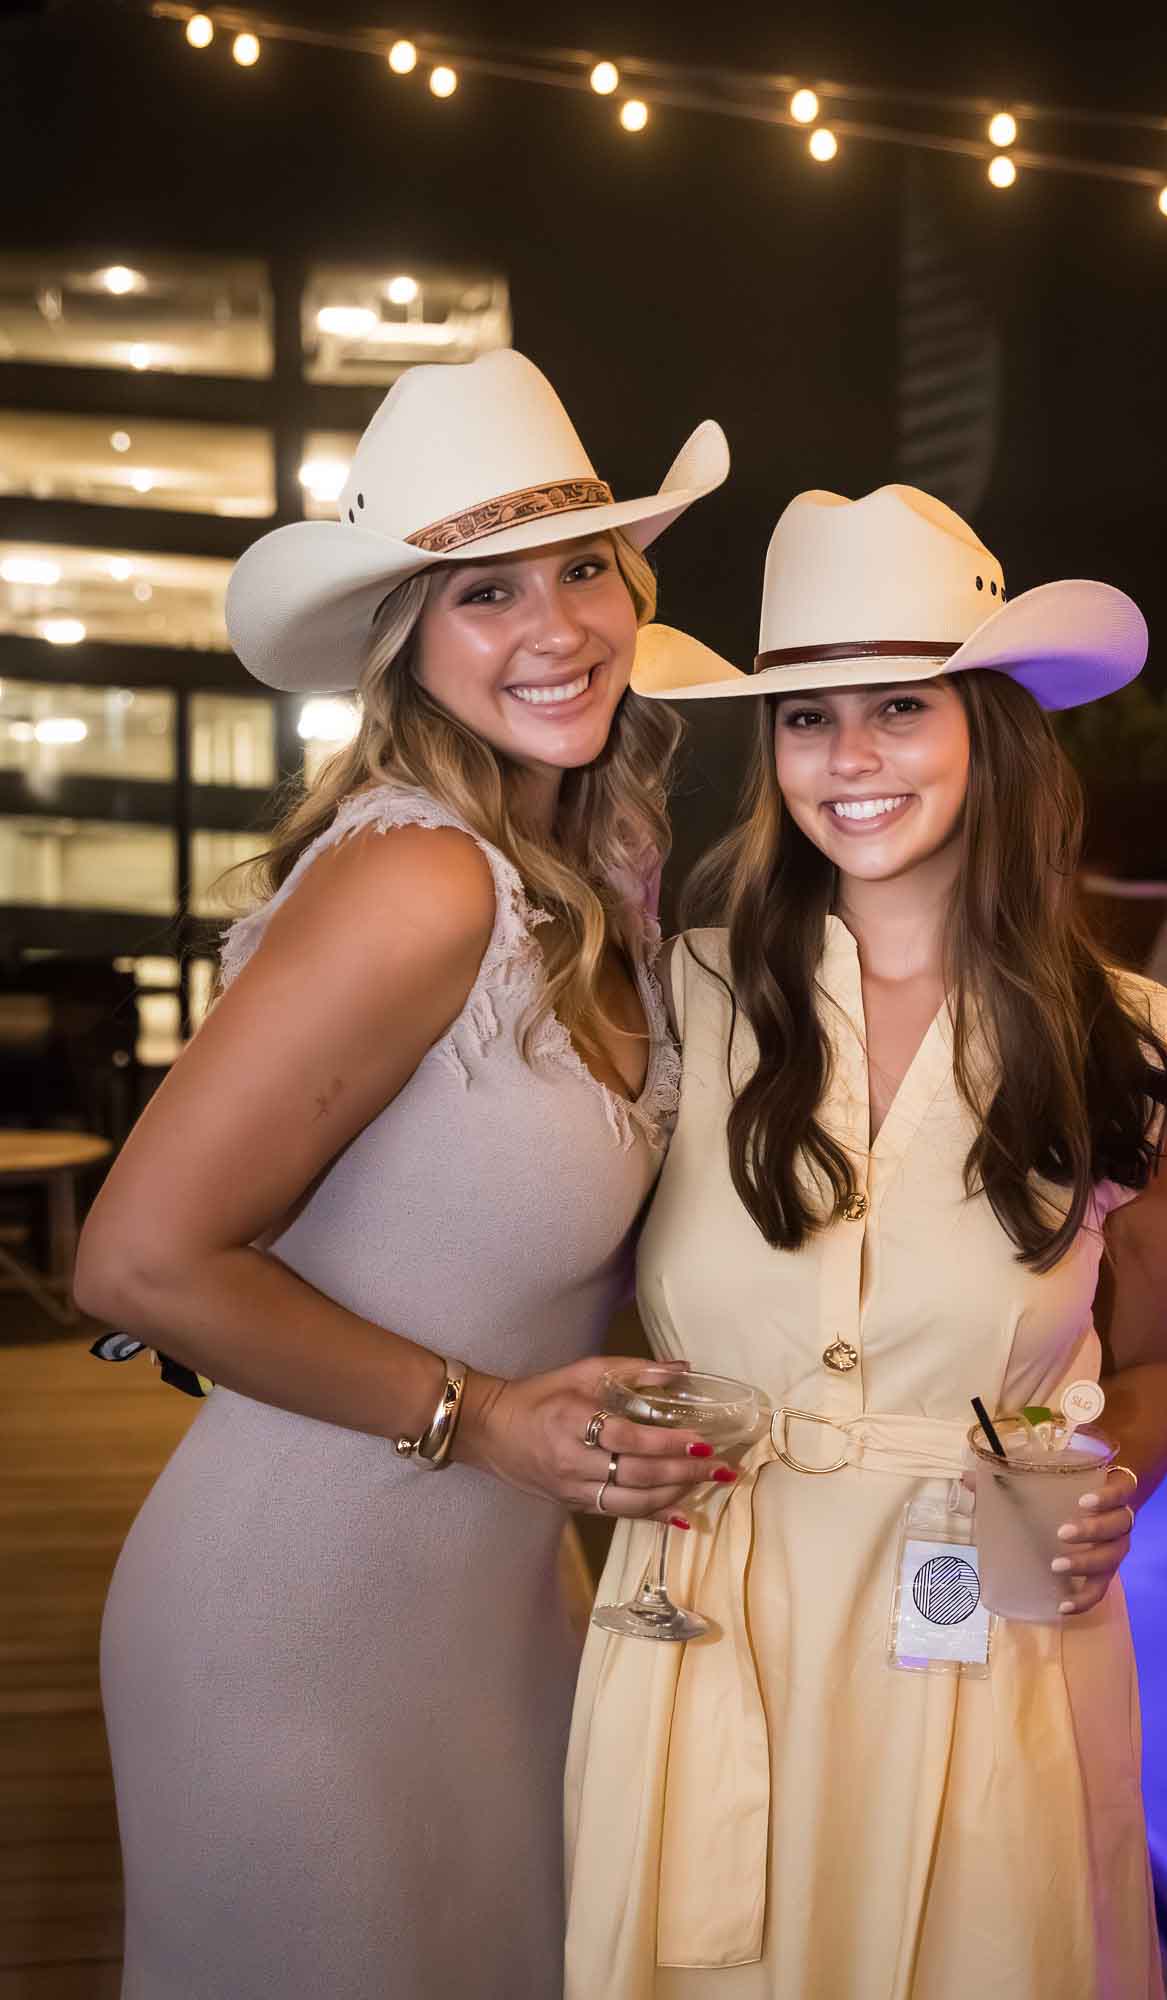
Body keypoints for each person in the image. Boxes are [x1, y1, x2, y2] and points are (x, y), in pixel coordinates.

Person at [74, 348, 731, 2000]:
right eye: (481, 593)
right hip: (297, 1621)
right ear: (408, 644)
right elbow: (137, 1265)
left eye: (582, 568)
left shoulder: (595, 869)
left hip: (498, 1613)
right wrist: (481, 1416)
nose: (555, 626)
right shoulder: (423, 880)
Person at [565, 484, 1167, 1999]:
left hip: (992, 1639)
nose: (845, 759)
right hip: (712, 1618)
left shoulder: (1136, 1045)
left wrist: (1111, 1484)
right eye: (804, 718)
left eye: (897, 709)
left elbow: (1162, 1358)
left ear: (988, 731)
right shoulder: (677, 997)